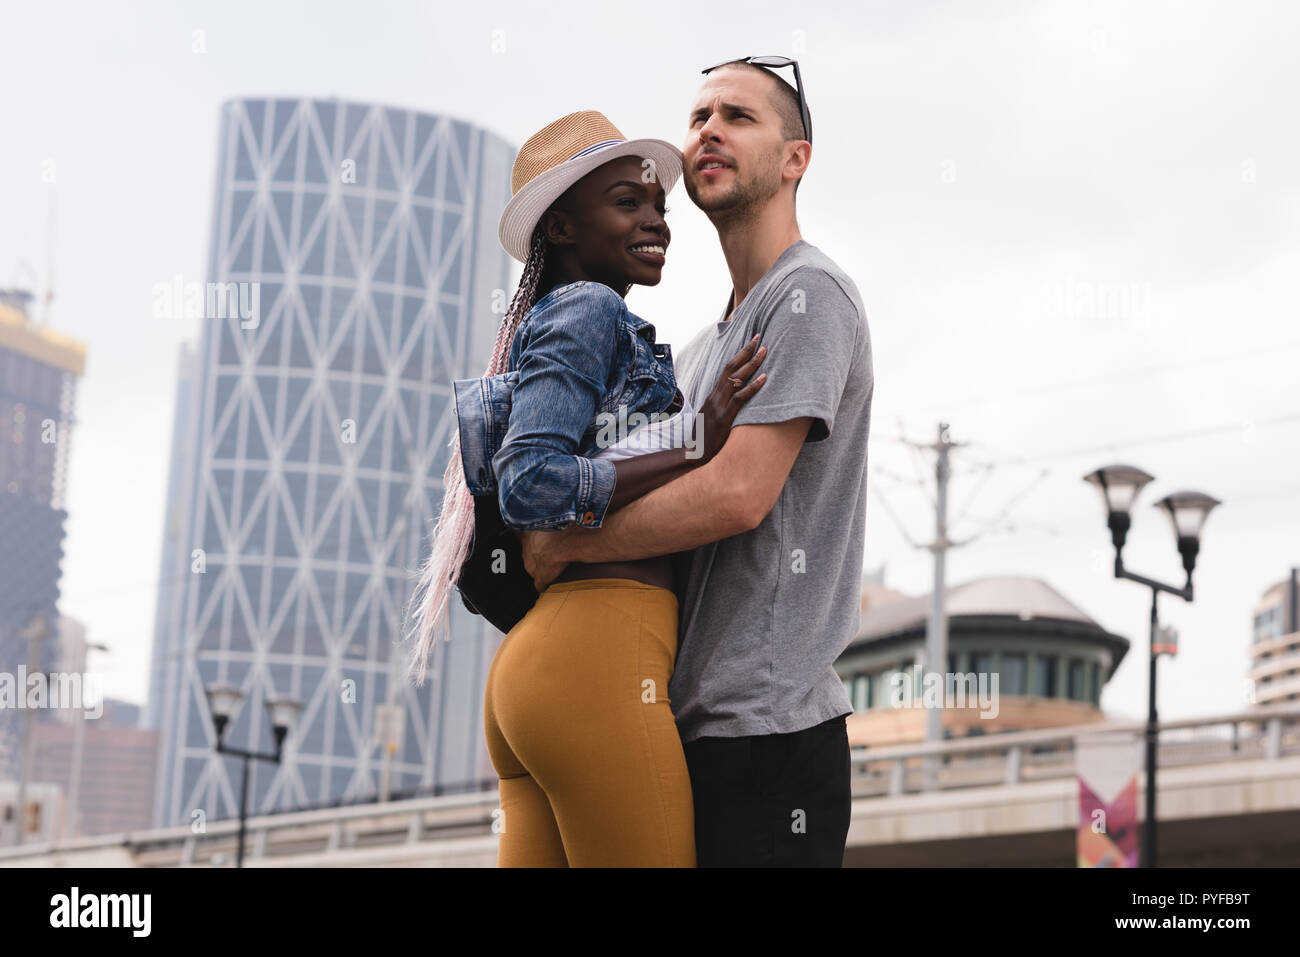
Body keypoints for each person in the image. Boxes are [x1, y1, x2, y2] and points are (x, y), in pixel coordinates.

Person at [521, 59, 874, 867]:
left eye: (739, 116)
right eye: (699, 114)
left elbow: (738, 494)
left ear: (796, 159)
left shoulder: (808, 295)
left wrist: (569, 540)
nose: (708, 129)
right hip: (689, 725)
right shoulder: (701, 351)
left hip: (770, 731)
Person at [404, 110, 768, 866]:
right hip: (598, 654)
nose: (655, 220)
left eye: (660, 206)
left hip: (541, 672)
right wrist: (694, 439)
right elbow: (531, 481)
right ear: (564, 228)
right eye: (628, 202)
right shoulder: (588, 309)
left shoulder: (583, 319)